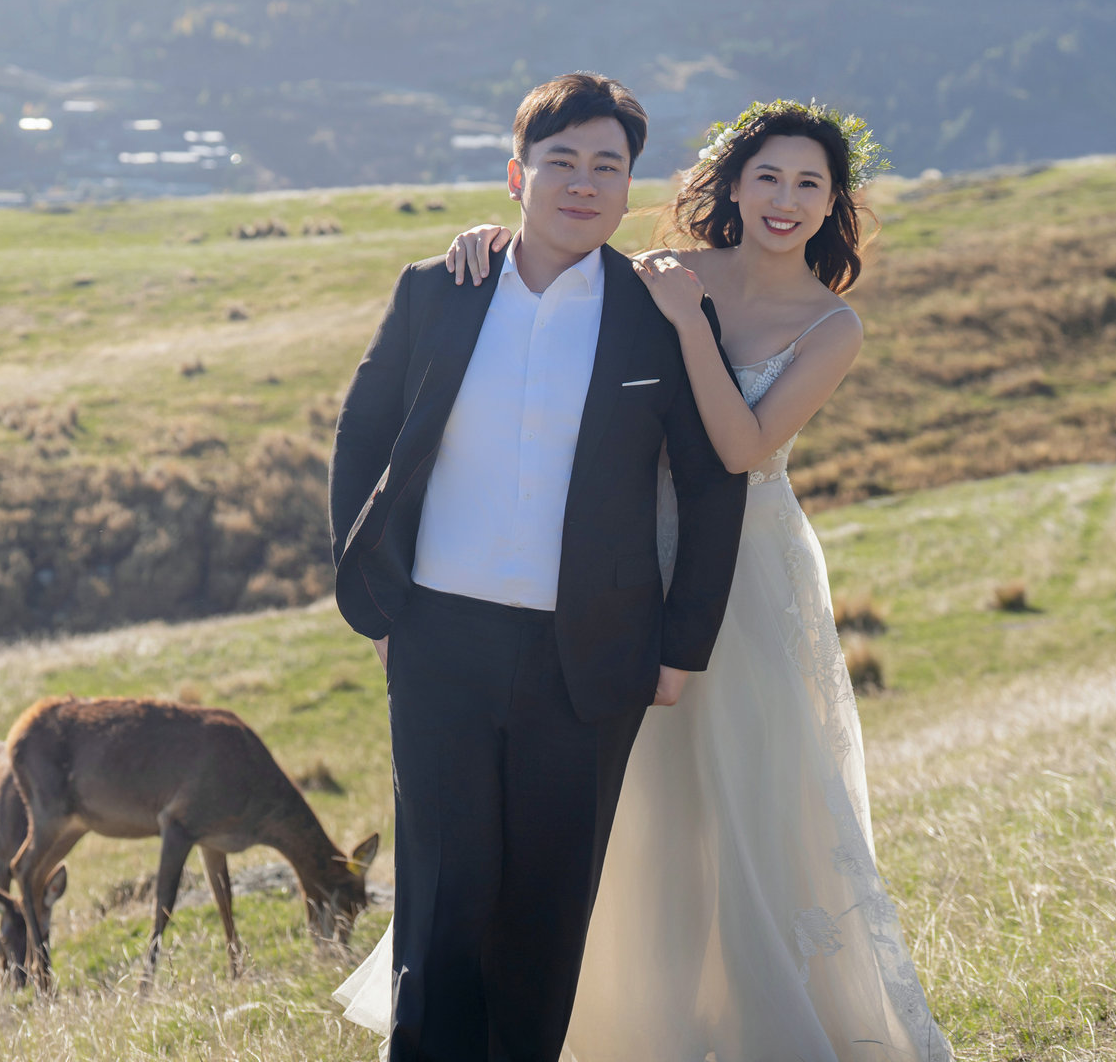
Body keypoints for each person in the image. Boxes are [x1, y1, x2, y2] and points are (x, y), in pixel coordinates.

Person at [337, 99, 953, 1060]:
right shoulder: (642, 275)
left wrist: (680, 641)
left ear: (835, 202)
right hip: (548, 583)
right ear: (731, 185)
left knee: (708, 818)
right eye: (768, 176)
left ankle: (713, 1020)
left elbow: (733, 461)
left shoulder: (772, 317)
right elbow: (398, 407)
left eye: (810, 184)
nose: (786, 198)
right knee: (534, 854)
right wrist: (486, 241)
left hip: (706, 585)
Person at [327, 72, 749, 1061]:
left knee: (546, 911)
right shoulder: (439, 289)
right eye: (561, 161)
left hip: (591, 657)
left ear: (630, 187)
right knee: (443, 895)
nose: (583, 183)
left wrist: (682, 646)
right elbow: (362, 436)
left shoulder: (660, 315)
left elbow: (712, 483)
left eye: (607, 165)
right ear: (518, 175)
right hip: (439, 640)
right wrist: (377, 602)